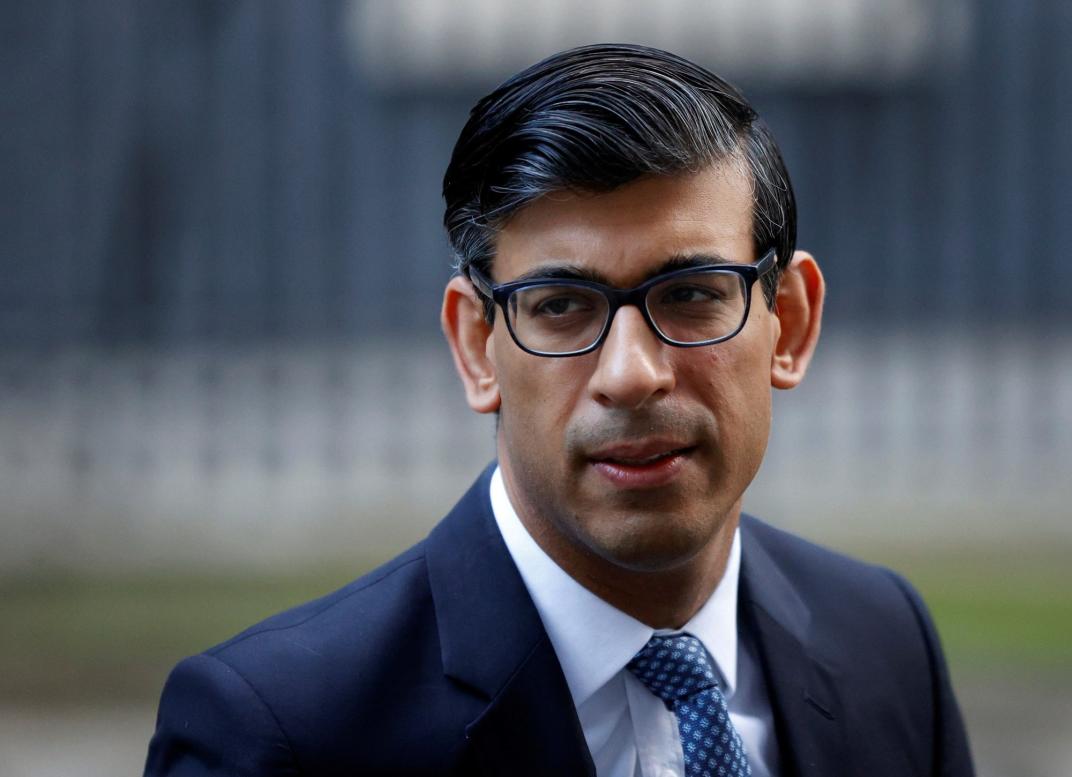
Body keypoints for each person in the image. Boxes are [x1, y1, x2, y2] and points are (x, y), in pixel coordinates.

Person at [145, 43, 974, 777]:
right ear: (477, 348)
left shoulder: (885, 644)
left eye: (689, 294)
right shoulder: (280, 734)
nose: (631, 374)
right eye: (560, 305)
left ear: (787, 323)